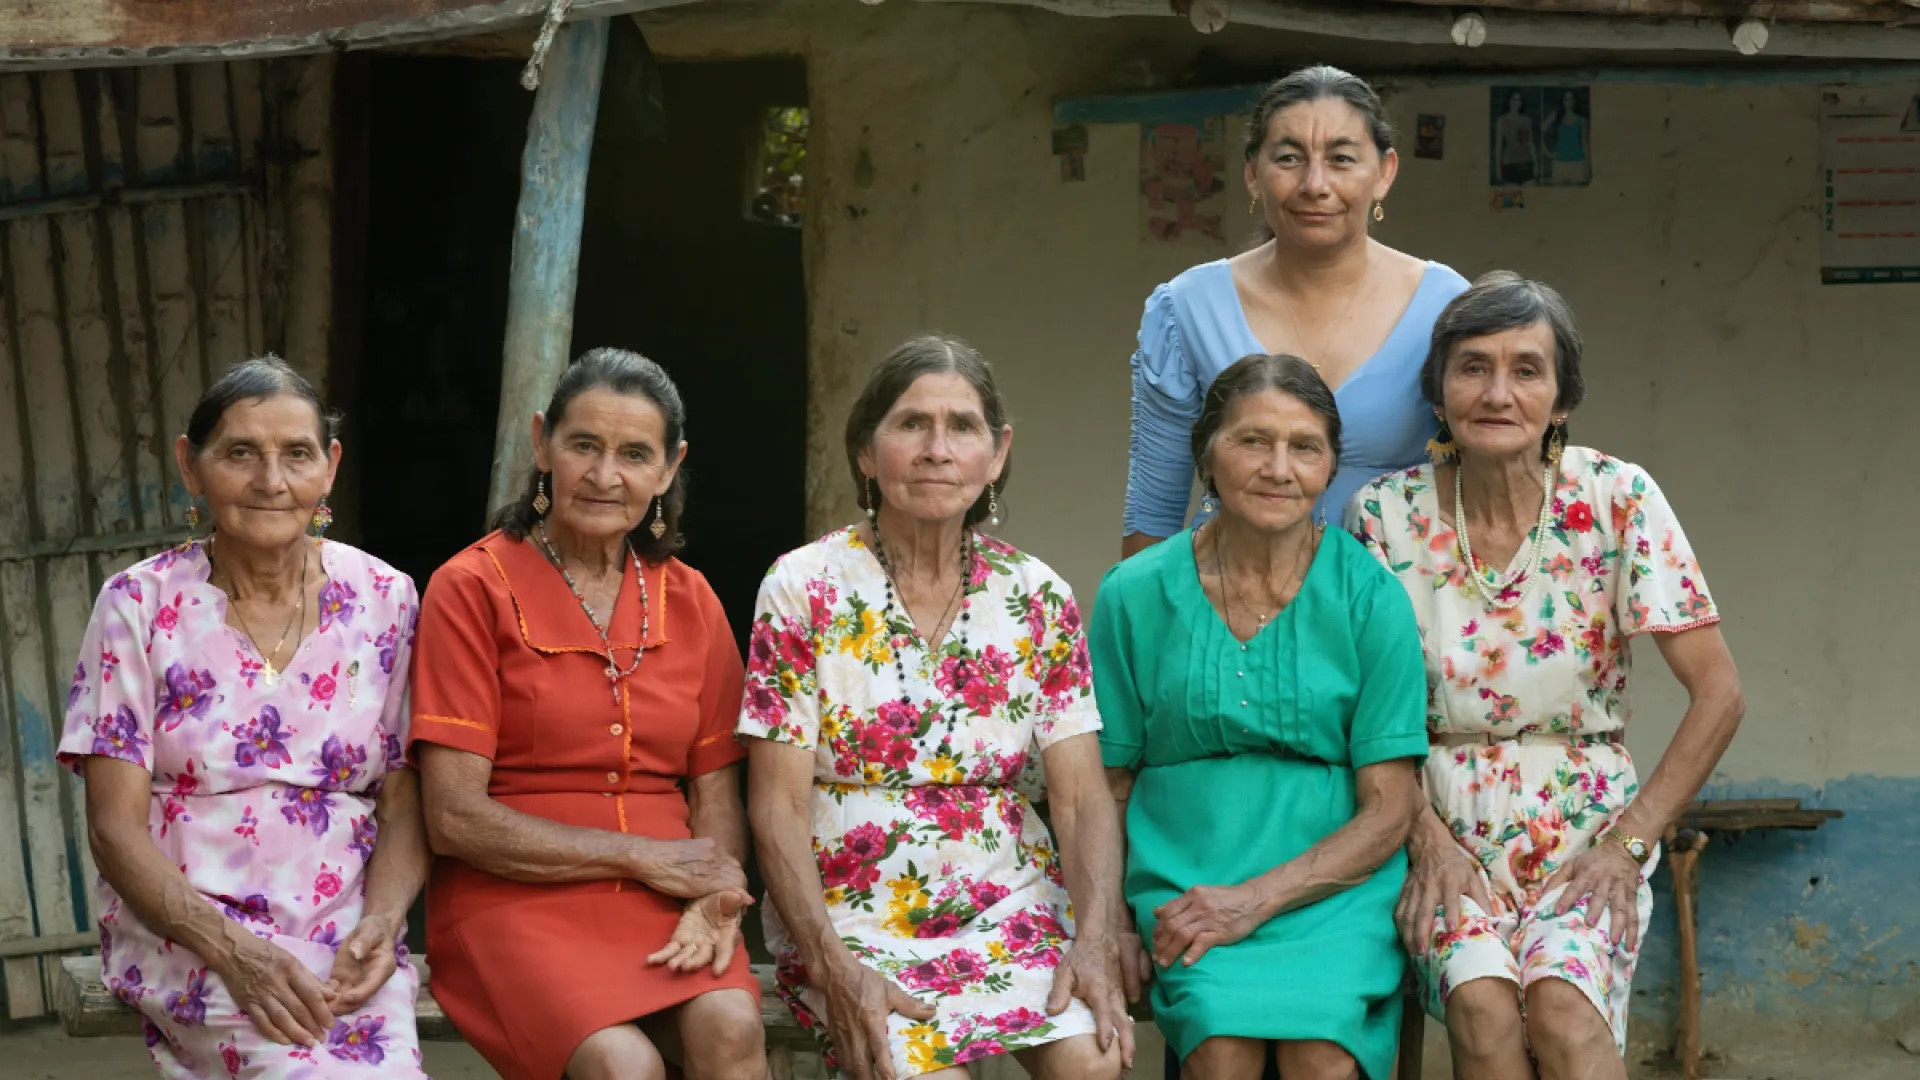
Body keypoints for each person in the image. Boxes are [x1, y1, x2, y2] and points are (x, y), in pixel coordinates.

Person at [1346, 273, 1745, 1080]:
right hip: (1438, 823)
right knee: (1482, 1005)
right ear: (1438, 391)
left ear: (1562, 399)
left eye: (1527, 369)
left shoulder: (1616, 498)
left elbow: (1720, 695)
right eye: (1473, 367)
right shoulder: (1384, 515)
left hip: (1588, 827)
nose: (1498, 392)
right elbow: (1357, 711)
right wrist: (1423, 840)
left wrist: (1629, 844)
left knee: (1563, 1008)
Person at [740, 336, 1132, 1080]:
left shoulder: (1036, 595)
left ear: (998, 450)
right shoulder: (803, 586)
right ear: (865, 450)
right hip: (851, 916)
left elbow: (1080, 799)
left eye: (962, 426)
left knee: (1094, 1063)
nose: (936, 449)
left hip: (1008, 905)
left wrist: (1094, 945)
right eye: (911, 424)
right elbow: (776, 806)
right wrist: (829, 961)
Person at [58, 357, 430, 1078]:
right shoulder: (138, 605)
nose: (271, 480)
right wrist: (235, 951)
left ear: (330, 468)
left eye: (297, 454)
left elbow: (405, 793)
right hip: (189, 933)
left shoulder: (387, 597)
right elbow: (112, 829)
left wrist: (383, 924)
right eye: (239, 453)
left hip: (342, 930)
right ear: (189, 467)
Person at [409, 349, 764, 1080]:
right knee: (620, 1064)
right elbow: (453, 818)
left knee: (730, 1026)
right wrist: (642, 857)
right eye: (583, 446)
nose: (606, 475)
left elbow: (716, 794)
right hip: (512, 897)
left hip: (670, 899)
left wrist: (717, 901)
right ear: (542, 443)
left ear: (669, 469)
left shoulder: (692, 599)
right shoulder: (471, 586)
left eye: (635, 454)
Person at [1094, 354, 1427, 1080]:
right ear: (1206, 453)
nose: (1279, 467)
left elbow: (1389, 807)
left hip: (1331, 892)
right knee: (1219, 1050)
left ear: (1331, 465)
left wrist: (1257, 900)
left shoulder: (1370, 595)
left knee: (1323, 1059)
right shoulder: (1133, 593)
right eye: (1252, 441)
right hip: (1187, 879)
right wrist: (1108, 924)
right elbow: (1107, 783)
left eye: (1304, 446)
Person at [1123, 65, 1470, 559]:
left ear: (1385, 172)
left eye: (1342, 159)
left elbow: (1485, 480)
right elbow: (1153, 508)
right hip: (1233, 604)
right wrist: (1142, 628)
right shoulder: (1188, 308)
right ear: (1252, 173)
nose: (1315, 184)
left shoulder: (1447, 307)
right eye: (1288, 158)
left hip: (1401, 606)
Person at [1542, 91, 1590, 186]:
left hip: (1578, 162)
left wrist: (1587, 167)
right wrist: (1547, 153)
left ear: (1575, 101)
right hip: (1560, 162)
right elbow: (1542, 130)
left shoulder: (1582, 120)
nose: (1569, 102)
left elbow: (1585, 143)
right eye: (1566, 99)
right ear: (1562, 102)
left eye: (1571, 99)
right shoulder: (1556, 116)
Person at [1494, 92, 1539, 187]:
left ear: (1521, 103)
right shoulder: (1502, 120)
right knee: (1513, 199)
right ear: (1509, 101)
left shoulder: (1526, 120)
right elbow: (1498, 145)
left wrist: (1535, 164)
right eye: (1513, 99)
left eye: (1518, 100)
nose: (1516, 102)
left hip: (1526, 163)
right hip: (1509, 164)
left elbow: (1530, 142)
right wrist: (1498, 168)